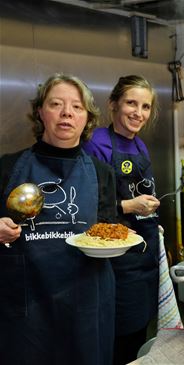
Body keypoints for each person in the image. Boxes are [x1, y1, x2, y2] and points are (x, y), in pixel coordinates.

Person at [0, 73, 117, 364]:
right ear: (40, 111)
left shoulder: (103, 174)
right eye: (56, 104)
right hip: (27, 307)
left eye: (77, 107)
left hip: (86, 303)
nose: (67, 112)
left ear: (87, 117)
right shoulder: (7, 166)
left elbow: (111, 233)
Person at [83, 75, 160, 365]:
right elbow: (89, 208)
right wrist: (130, 206)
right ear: (113, 104)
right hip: (116, 259)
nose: (138, 113)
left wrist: (151, 213)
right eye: (131, 103)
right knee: (119, 338)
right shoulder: (96, 144)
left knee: (139, 333)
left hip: (143, 252)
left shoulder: (140, 146)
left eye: (146, 106)